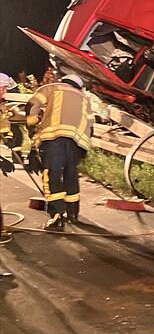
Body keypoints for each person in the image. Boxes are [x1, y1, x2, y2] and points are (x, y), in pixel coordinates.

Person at [24, 74, 94, 230]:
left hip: (53, 138)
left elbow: (32, 104)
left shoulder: (52, 88)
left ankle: (57, 216)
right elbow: (91, 125)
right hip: (77, 143)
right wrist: (83, 148)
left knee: (52, 174)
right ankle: (72, 214)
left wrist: (32, 124)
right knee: (71, 175)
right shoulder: (85, 99)